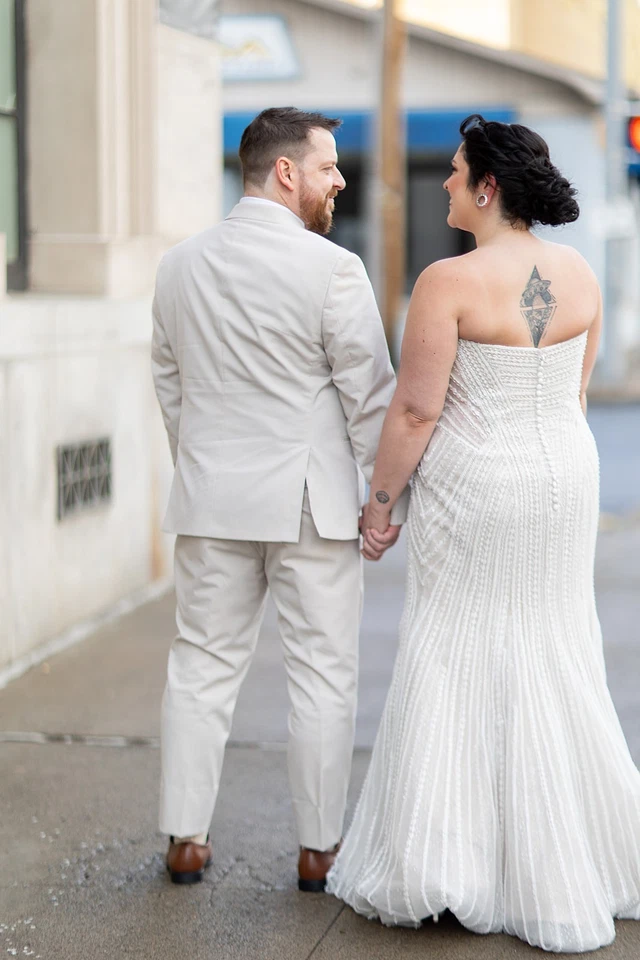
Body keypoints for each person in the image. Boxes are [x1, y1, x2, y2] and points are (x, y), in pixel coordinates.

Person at [326, 114, 640, 953]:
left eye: (456, 171)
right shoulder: (578, 273)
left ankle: (447, 862)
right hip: (565, 481)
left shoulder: (448, 282)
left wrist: (380, 502)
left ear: (488, 188)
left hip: (477, 489)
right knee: (554, 644)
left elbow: (419, 408)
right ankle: (570, 853)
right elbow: (573, 389)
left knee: (455, 648)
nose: (445, 182)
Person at [151, 107, 408, 889]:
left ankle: (185, 840)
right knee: (323, 674)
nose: (339, 179)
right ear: (286, 171)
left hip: (211, 498)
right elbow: (370, 398)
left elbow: (170, 385)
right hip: (311, 503)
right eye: (328, 166)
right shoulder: (331, 269)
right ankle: (318, 848)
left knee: (200, 666)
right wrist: (382, 500)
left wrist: (201, 462)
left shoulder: (178, 265)